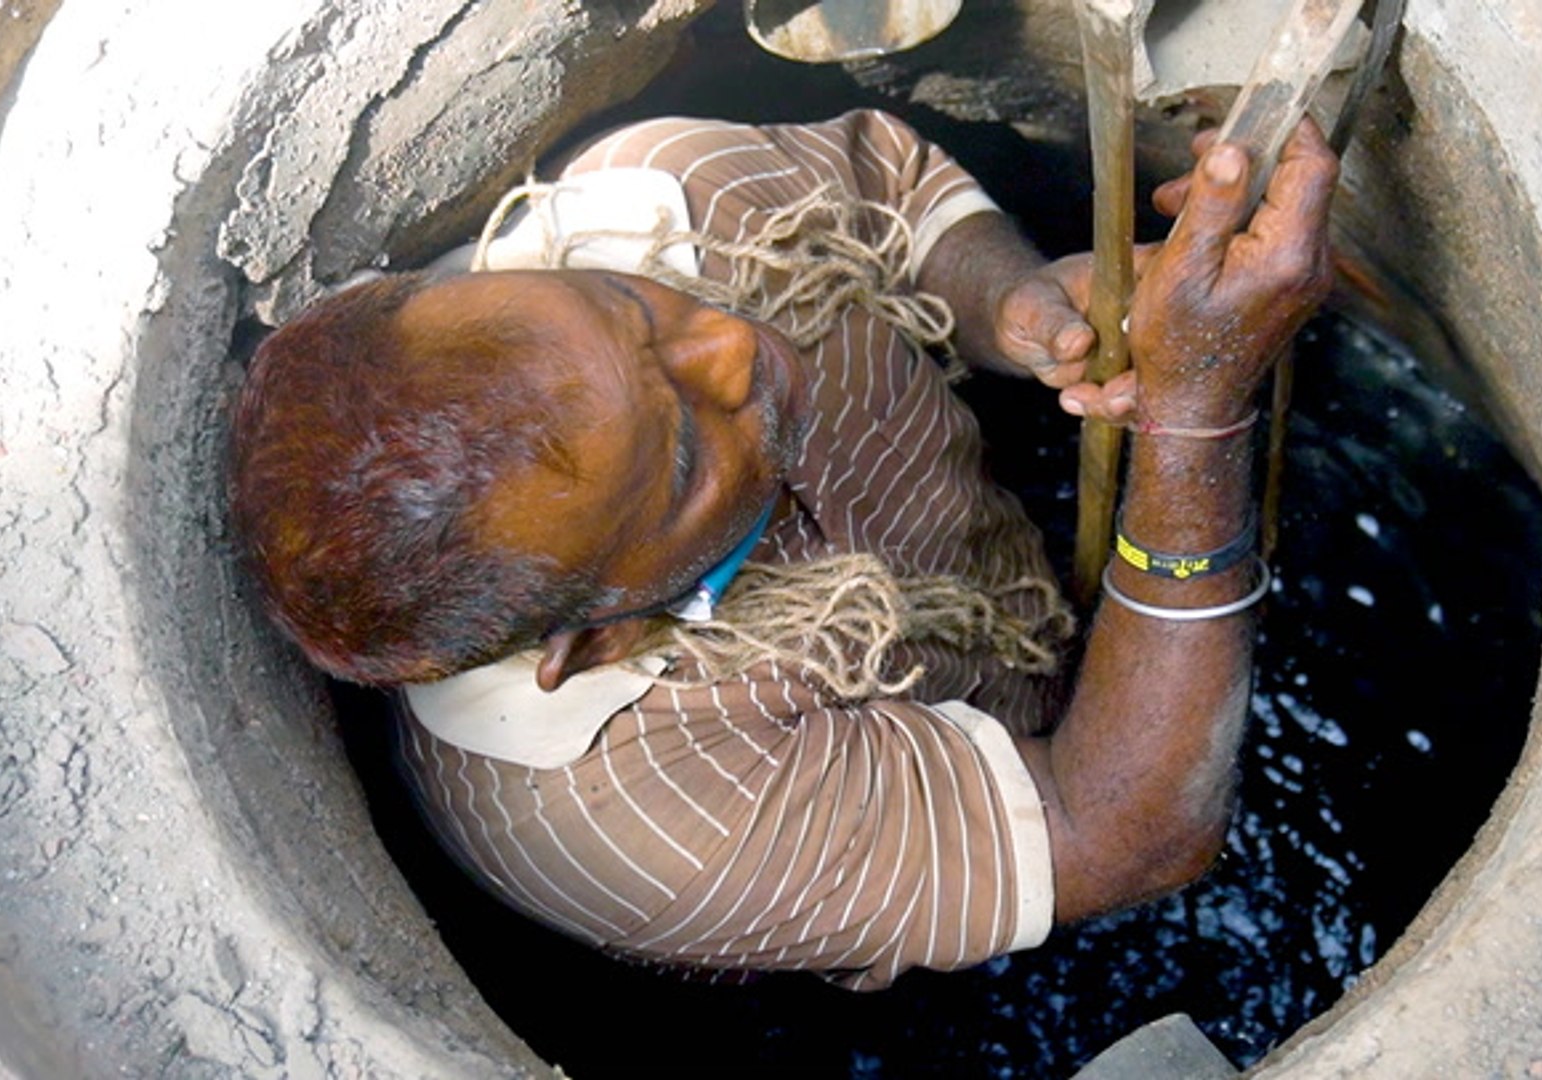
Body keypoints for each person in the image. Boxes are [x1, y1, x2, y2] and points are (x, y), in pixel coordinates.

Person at [229, 109, 1336, 989]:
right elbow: (1122, 832)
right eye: (682, 460)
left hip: (1016, 575)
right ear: (601, 629)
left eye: (631, 310)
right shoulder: (628, 820)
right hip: (1011, 782)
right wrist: (1194, 422)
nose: (735, 344)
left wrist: (1010, 302)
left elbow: (888, 191)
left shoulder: (670, 202)